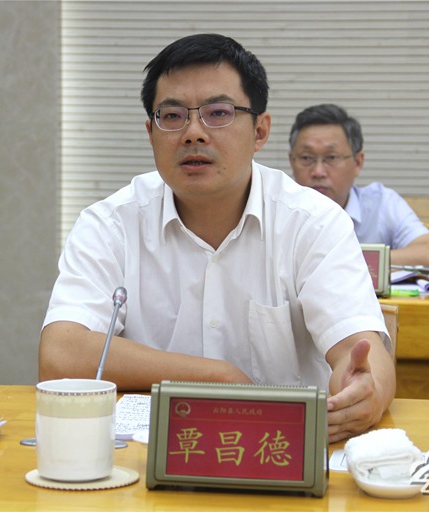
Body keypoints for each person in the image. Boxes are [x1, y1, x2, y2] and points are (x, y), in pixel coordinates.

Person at [39, 34, 395, 443]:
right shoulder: (109, 224)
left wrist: (368, 391)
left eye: (218, 113)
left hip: (279, 451)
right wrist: (218, 377)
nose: (194, 133)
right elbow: (60, 355)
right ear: (151, 133)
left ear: (260, 131)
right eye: (172, 116)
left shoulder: (313, 222)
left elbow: (361, 351)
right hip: (146, 457)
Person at [288, 103, 429, 270]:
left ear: (358, 162)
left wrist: (347, 261)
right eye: (306, 158)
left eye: (331, 157)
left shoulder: (382, 204)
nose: (318, 172)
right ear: (291, 161)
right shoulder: (278, 209)